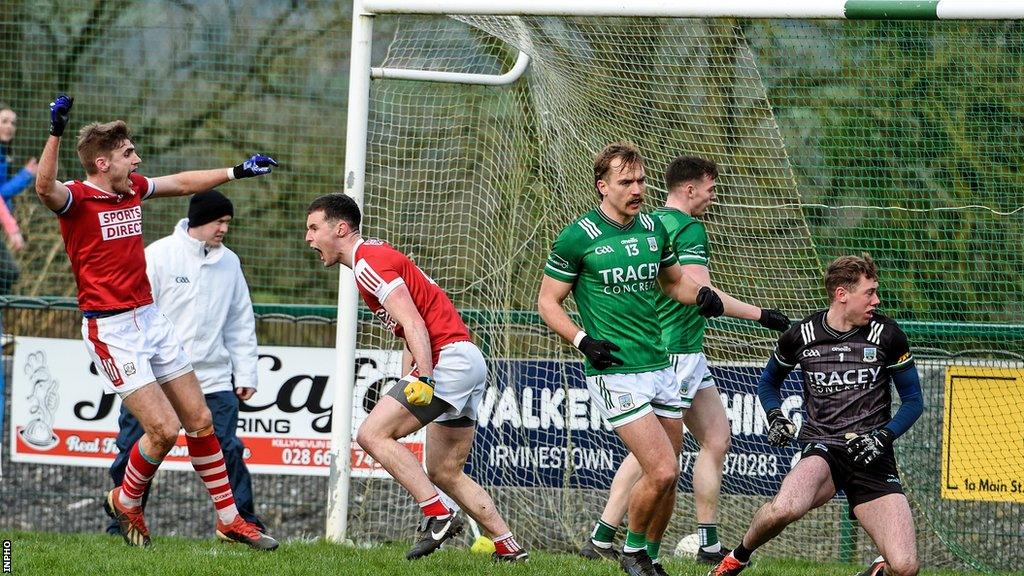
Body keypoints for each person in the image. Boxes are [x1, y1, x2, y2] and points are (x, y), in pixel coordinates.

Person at [34, 93, 279, 550]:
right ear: (103, 162)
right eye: (129, 153)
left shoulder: (132, 190)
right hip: (111, 329)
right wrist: (56, 131)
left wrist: (237, 172)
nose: (138, 159)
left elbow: (185, 183)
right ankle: (127, 501)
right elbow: (44, 189)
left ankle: (229, 520)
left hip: (150, 318)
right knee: (163, 431)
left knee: (201, 420)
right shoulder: (78, 199)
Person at [537, 142, 789, 576]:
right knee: (661, 468)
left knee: (668, 475)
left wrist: (703, 296)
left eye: (640, 180)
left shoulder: (654, 228)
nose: (636, 189)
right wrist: (582, 340)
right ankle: (631, 550)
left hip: (659, 364)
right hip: (614, 370)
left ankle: (648, 555)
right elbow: (547, 302)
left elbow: (675, 284)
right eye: (625, 182)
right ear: (602, 187)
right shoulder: (579, 236)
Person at [305, 193, 528, 562]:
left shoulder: (366, 264)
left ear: (340, 229)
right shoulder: (376, 255)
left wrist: (423, 377)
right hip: (467, 358)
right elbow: (411, 326)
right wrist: (413, 371)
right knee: (444, 470)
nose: (309, 238)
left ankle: (438, 514)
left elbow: (413, 322)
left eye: (314, 228)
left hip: (447, 361)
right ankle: (508, 546)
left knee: (371, 434)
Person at [707, 254, 923, 576]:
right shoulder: (802, 335)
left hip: (872, 457)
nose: (876, 300)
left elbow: (913, 401)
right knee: (784, 508)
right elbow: (768, 383)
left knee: (905, 568)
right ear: (841, 294)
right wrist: (776, 416)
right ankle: (737, 558)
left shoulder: (888, 335)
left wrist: (883, 436)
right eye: (870, 292)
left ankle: (878, 568)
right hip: (822, 448)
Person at [106, 190, 267, 536]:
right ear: (199, 220)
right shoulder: (159, 256)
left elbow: (240, 320)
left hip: (212, 378)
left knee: (229, 450)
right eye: (219, 221)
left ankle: (241, 523)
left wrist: (246, 371)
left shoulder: (231, 262)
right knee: (134, 448)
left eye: (228, 222)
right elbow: (133, 316)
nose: (224, 228)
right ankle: (122, 521)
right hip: (155, 378)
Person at [0, 102, 35, 293]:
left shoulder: (4, 152)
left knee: (9, 273)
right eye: (4, 121)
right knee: (9, 272)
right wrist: (26, 175)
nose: (9, 127)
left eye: (13, 123)